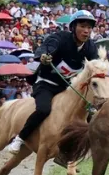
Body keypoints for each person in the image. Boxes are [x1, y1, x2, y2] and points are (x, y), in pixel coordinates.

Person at [6, 10, 98, 163]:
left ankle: (66, 155)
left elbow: (95, 64)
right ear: (73, 27)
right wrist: (43, 56)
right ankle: (20, 138)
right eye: (82, 26)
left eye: (89, 27)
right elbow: (46, 48)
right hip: (46, 84)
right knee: (43, 109)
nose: (86, 31)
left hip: (67, 89)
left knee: (88, 114)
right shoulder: (60, 38)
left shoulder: (90, 47)